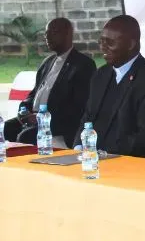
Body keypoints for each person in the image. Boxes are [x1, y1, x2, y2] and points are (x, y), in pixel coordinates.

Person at [75, 15, 145, 158]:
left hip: (127, 163)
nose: (103, 47)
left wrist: (105, 154)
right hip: (91, 159)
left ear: (131, 44)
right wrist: (78, 147)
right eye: (101, 41)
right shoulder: (100, 75)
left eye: (110, 42)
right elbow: (87, 118)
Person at [3, 18, 95, 147]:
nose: (48, 37)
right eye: (46, 34)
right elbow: (34, 93)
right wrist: (24, 110)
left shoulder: (82, 64)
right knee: (6, 128)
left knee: (26, 136)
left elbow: (78, 106)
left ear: (68, 34)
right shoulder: (47, 62)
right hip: (33, 118)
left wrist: (42, 118)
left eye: (53, 33)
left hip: (58, 123)